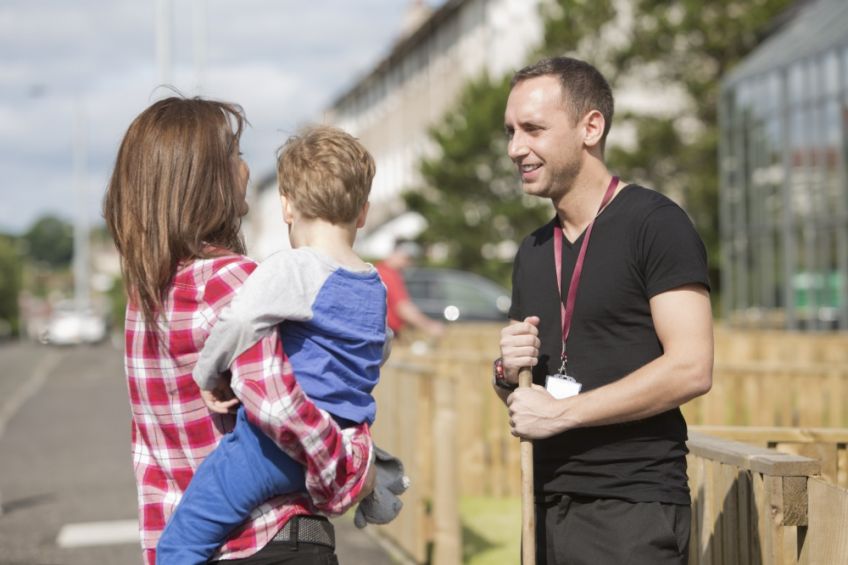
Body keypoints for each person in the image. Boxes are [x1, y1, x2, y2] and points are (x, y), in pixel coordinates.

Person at [103, 98, 374, 565]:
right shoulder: (231, 280)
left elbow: (153, 447)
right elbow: (280, 405)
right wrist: (351, 469)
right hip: (267, 540)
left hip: (185, 542)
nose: (246, 169)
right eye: (236, 154)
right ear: (206, 175)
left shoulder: (143, 301)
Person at [495, 57, 713, 564]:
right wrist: (506, 371)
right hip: (545, 503)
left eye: (533, 129)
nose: (515, 148)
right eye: (510, 132)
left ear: (591, 127)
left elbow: (691, 367)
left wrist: (562, 413)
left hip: (631, 509)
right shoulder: (532, 249)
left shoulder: (656, 223)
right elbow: (524, 394)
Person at [156, 125, 406, 563]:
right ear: (363, 212)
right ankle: (372, 486)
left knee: (183, 538)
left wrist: (208, 374)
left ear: (287, 206)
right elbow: (379, 348)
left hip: (269, 446)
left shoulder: (293, 269)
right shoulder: (375, 283)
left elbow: (241, 321)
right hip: (337, 440)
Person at [375, 239, 444, 338]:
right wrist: (429, 326)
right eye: (407, 259)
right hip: (385, 334)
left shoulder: (380, 271)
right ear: (398, 254)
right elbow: (403, 308)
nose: (409, 264)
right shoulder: (388, 275)